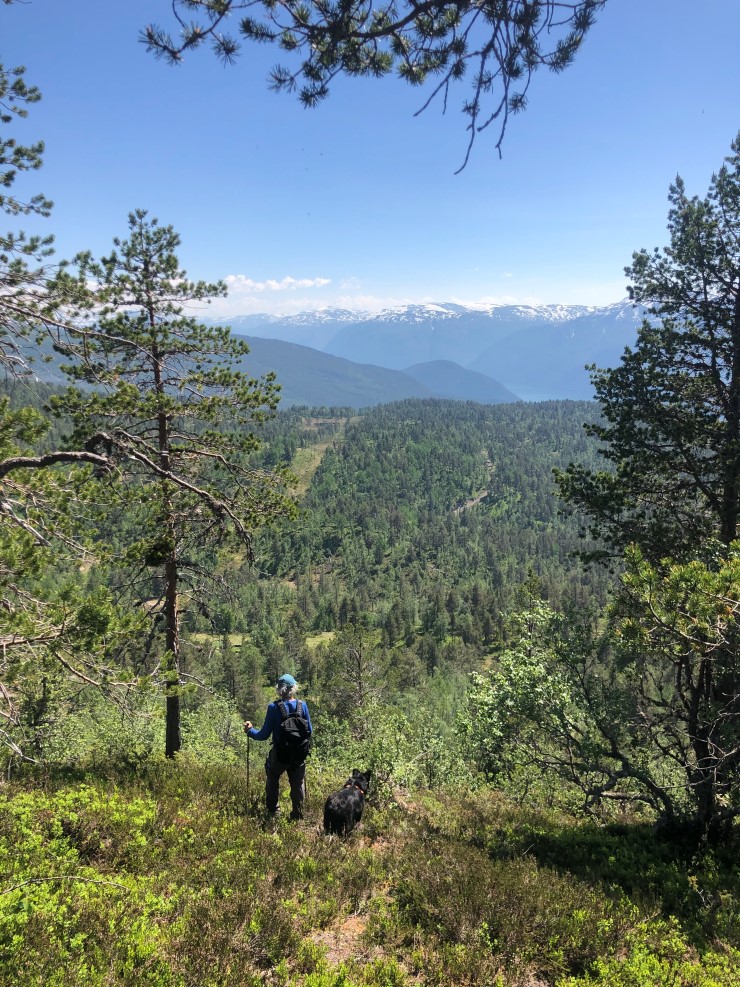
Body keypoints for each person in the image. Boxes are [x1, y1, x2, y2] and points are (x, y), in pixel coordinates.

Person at [244, 673, 313, 820]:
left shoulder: (274, 707)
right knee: (297, 783)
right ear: (293, 688)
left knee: (273, 777)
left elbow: (263, 735)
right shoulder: (303, 706)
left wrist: (250, 731)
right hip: (299, 753)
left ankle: (273, 811)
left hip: (280, 754)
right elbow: (309, 731)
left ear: (279, 690)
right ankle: (297, 814)